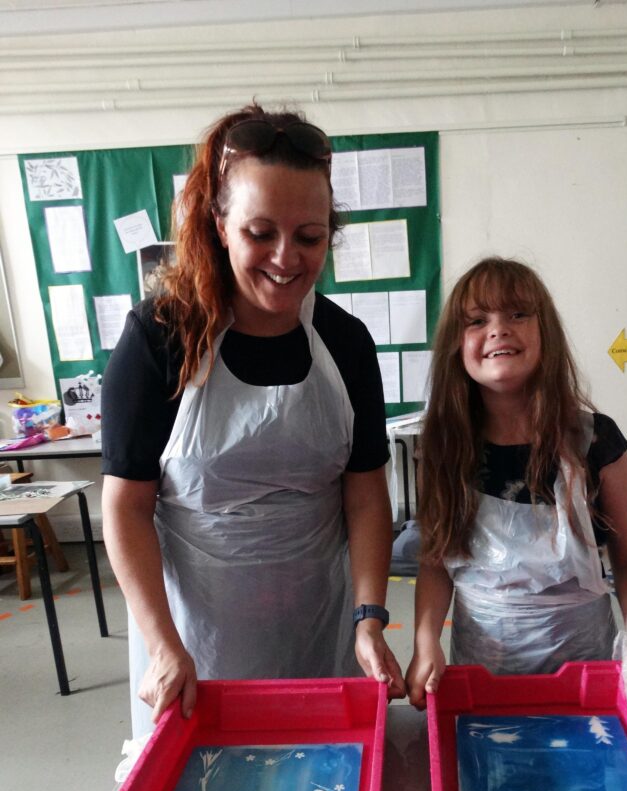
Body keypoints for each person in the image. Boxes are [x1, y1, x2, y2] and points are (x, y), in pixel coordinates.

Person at [101, 102, 404, 737]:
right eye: (260, 233)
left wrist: (369, 617)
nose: (286, 258)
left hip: (321, 627)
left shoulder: (345, 343)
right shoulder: (161, 337)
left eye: (310, 236)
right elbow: (126, 508)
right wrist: (162, 646)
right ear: (218, 225)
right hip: (193, 641)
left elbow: (366, 493)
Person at [405, 257, 627, 711]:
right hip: (483, 665)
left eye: (518, 314)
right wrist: (426, 643)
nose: (499, 329)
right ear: (455, 348)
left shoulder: (596, 442)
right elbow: (436, 562)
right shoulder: (443, 448)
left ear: (548, 334)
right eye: (478, 320)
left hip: (582, 665)